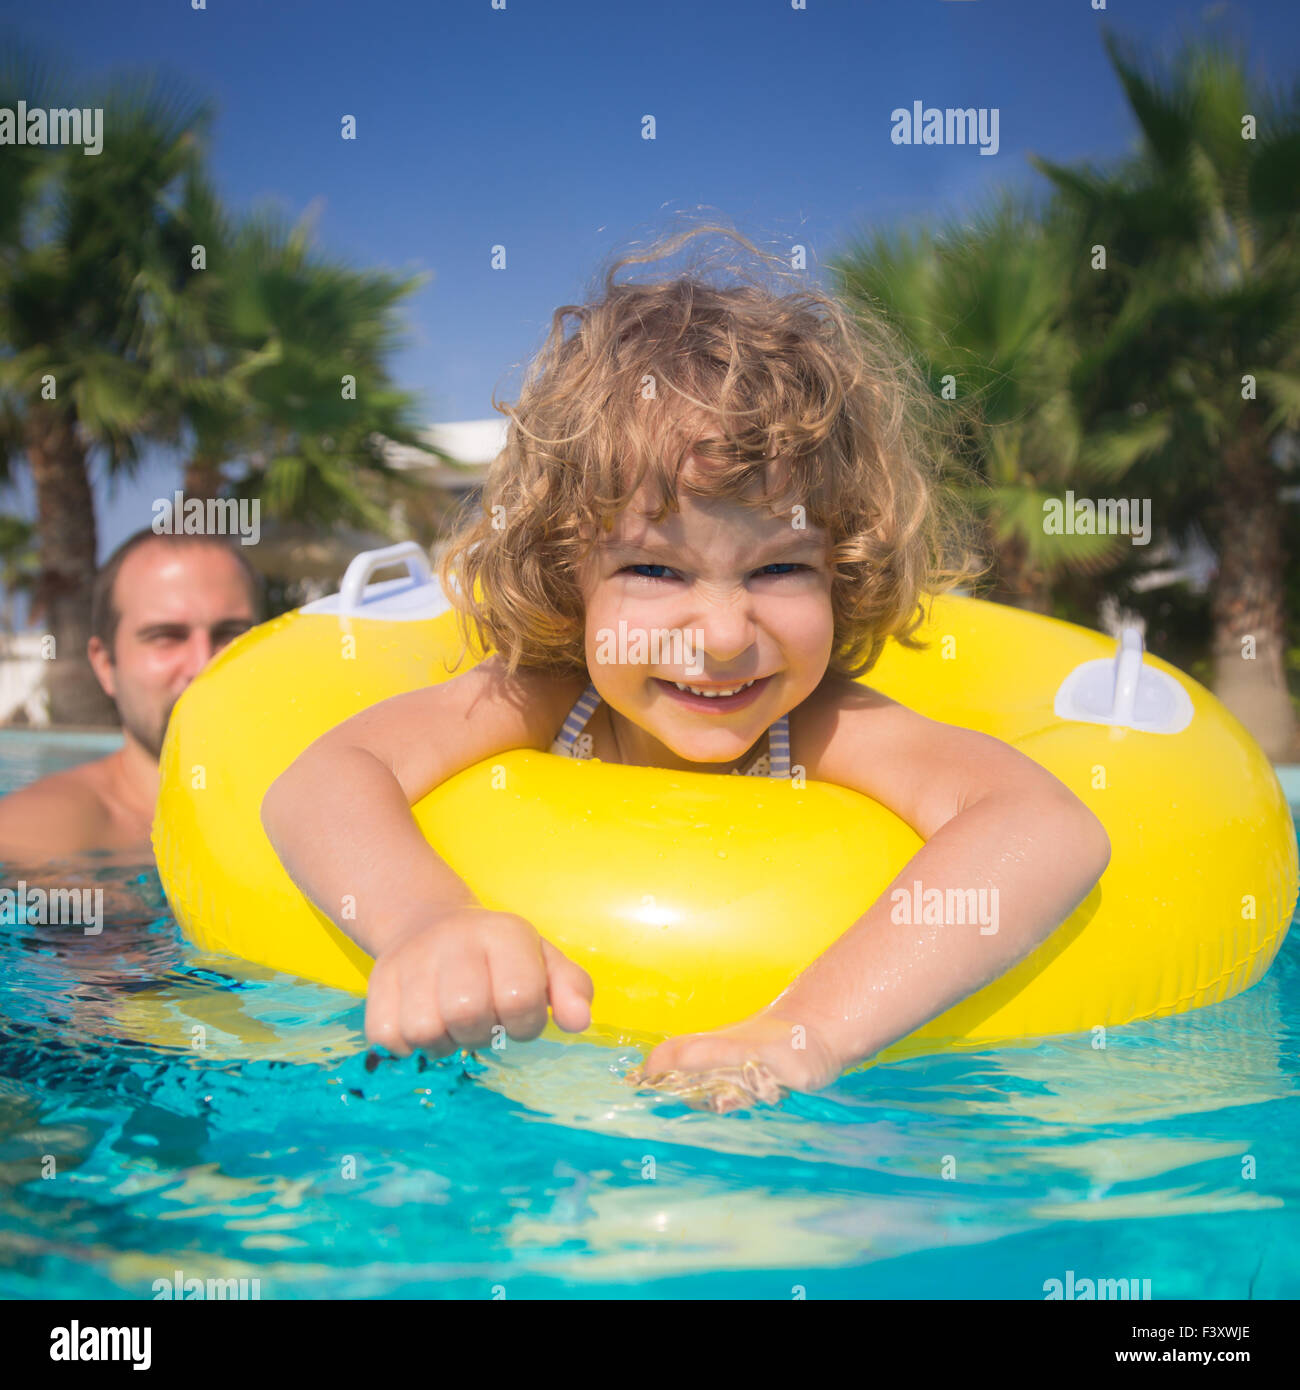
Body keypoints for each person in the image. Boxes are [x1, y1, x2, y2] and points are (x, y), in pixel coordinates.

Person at [261, 228, 1110, 1109]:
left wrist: (805, 1030)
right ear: (568, 575)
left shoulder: (819, 724)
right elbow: (322, 779)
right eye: (655, 570)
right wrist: (428, 923)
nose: (720, 634)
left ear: (842, 573)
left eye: (780, 568)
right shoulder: (551, 699)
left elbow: (1046, 828)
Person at [0, 530, 262, 864]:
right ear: (106, 664)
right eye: (166, 636)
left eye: (231, 634)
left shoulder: (308, 800)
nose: (203, 665)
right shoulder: (36, 836)